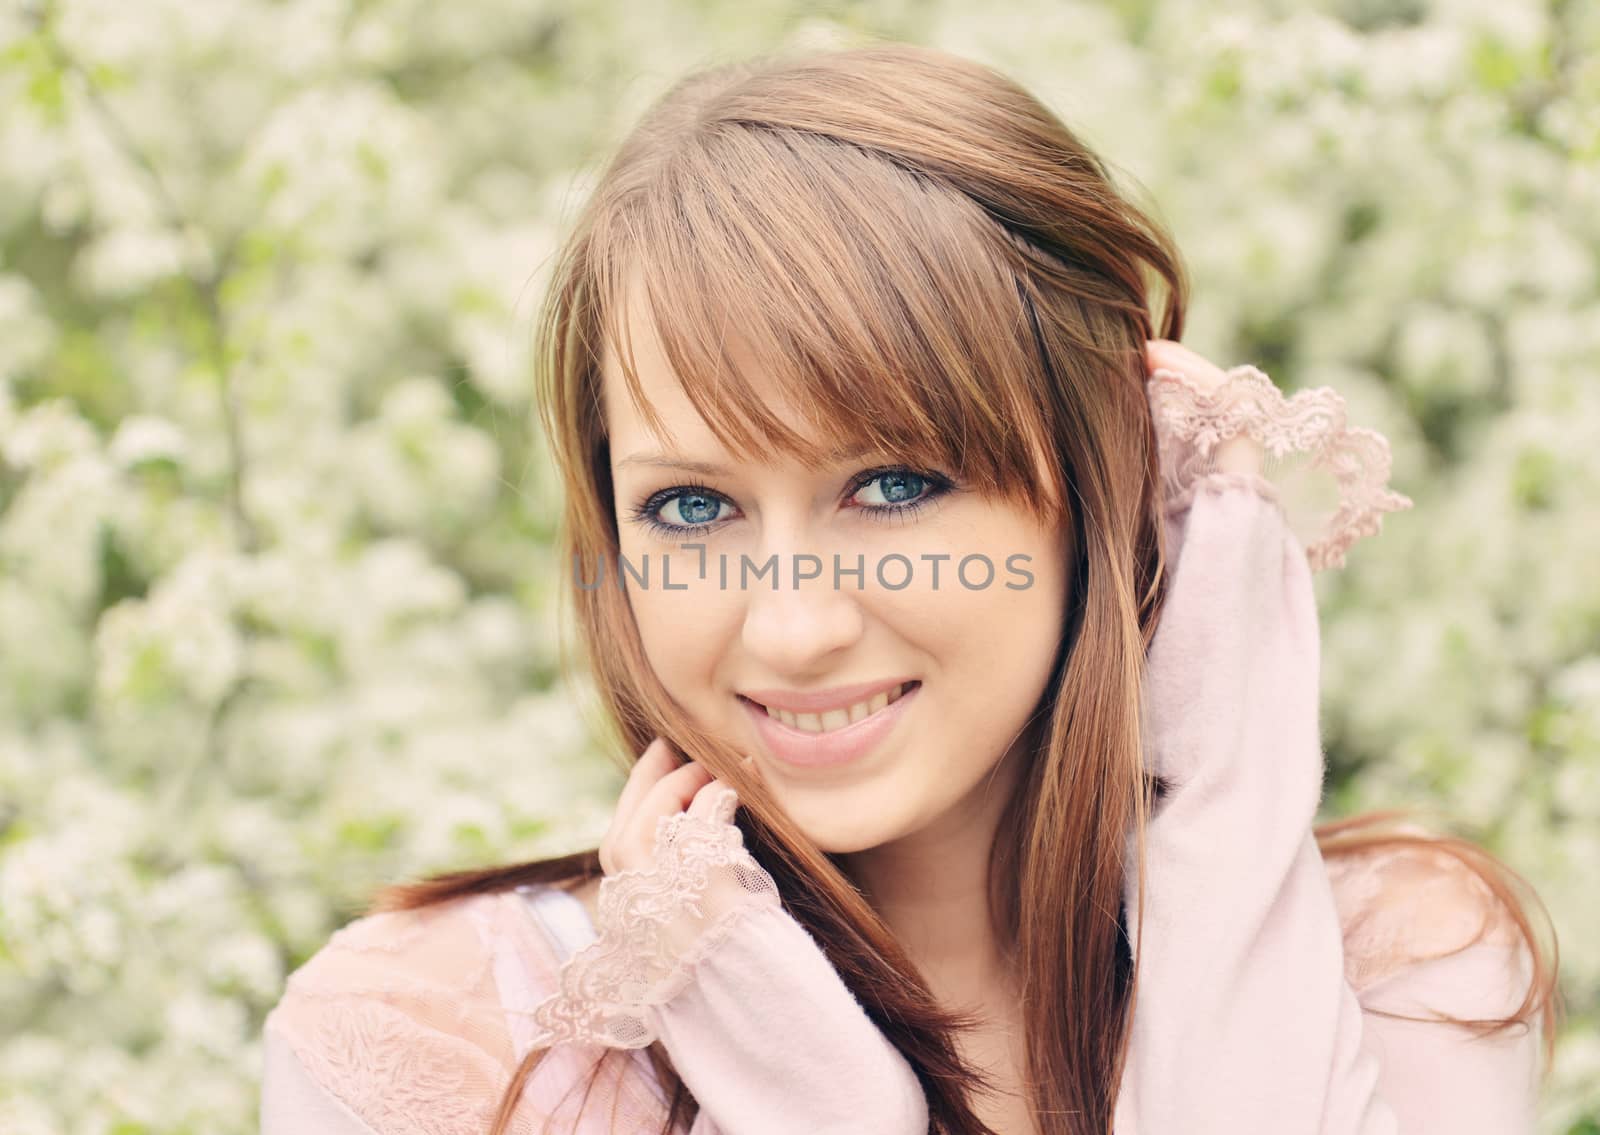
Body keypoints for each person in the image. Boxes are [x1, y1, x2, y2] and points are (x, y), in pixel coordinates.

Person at [259, 42, 1560, 1135]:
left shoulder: (1403, 965)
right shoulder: (443, 1044)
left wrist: (1225, 826)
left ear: (1107, 483)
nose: (793, 625)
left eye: (891, 487)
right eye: (691, 507)